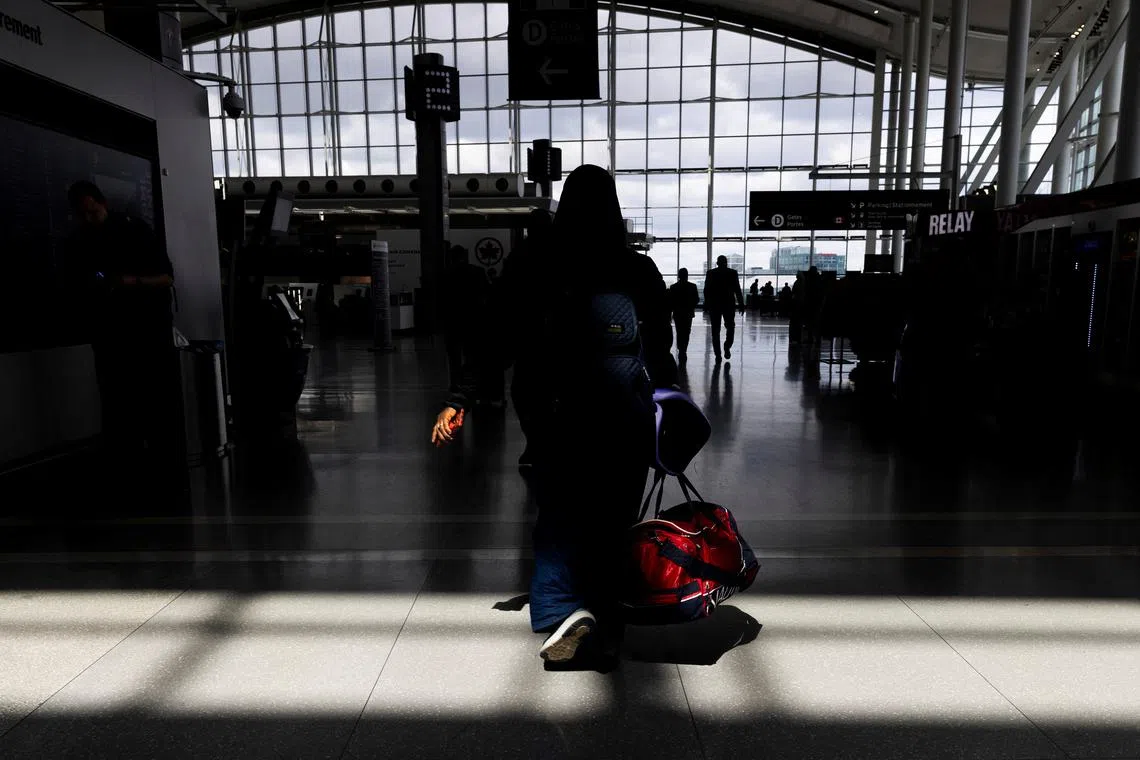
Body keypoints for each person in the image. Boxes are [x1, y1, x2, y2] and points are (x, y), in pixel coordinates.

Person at [431, 165, 677, 666]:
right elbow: (660, 350)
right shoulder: (637, 269)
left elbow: (496, 334)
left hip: (551, 410)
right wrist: (670, 406)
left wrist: (460, 398)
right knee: (613, 518)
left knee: (560, 513)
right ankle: (606, 623)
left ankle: (558, 612)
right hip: (622, 413)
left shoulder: (533, 261)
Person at [64, 180, 177, 467]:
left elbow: (166, 277)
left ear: (104, 204)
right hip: (111, 337)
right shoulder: (81, 242)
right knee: (118, 408)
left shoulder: (135, 231)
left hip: (146, 333)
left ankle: (158, 463)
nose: (89, 220)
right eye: (84, 215)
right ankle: (132, 466)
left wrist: (130, 283)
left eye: (93, 212)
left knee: (152, 404)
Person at [500, 209, 554, 469]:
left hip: (527, 339)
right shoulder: (561, 254)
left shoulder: (519, 256)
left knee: (523, 395)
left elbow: (505, 299)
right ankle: (548, 444)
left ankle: (535, 443)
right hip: (556, 341)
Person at [440, 245, 488, 392]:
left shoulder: (445, 274)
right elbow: (484, 296)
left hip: (453, 321)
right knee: (472, 353)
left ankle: (456, 383)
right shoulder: (477, 272)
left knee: (454, 356)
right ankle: (471, 382)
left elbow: (441, 300)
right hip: (473, 320)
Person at [704, 255, 745, 361]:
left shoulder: (711, 273)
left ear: (717, 263)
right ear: (726, 263)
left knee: (715, 331)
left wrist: (707, 303)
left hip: (715, 305)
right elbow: (737, 289)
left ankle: (718, 354)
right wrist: (741, 304)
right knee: (730, 327)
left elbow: (707, 290)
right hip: (729, 305)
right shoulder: (732, 273)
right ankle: (727, 346)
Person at [668, 268, 700, 363]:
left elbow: (671, 302)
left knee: (679, 331)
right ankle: (683, 350)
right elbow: (696, 300)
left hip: (678, 313)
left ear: (678, 276)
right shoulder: (692, 286)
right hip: (688, 313)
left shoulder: (673, 287)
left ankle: (680, 348)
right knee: (686, 332)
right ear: (687, 275)